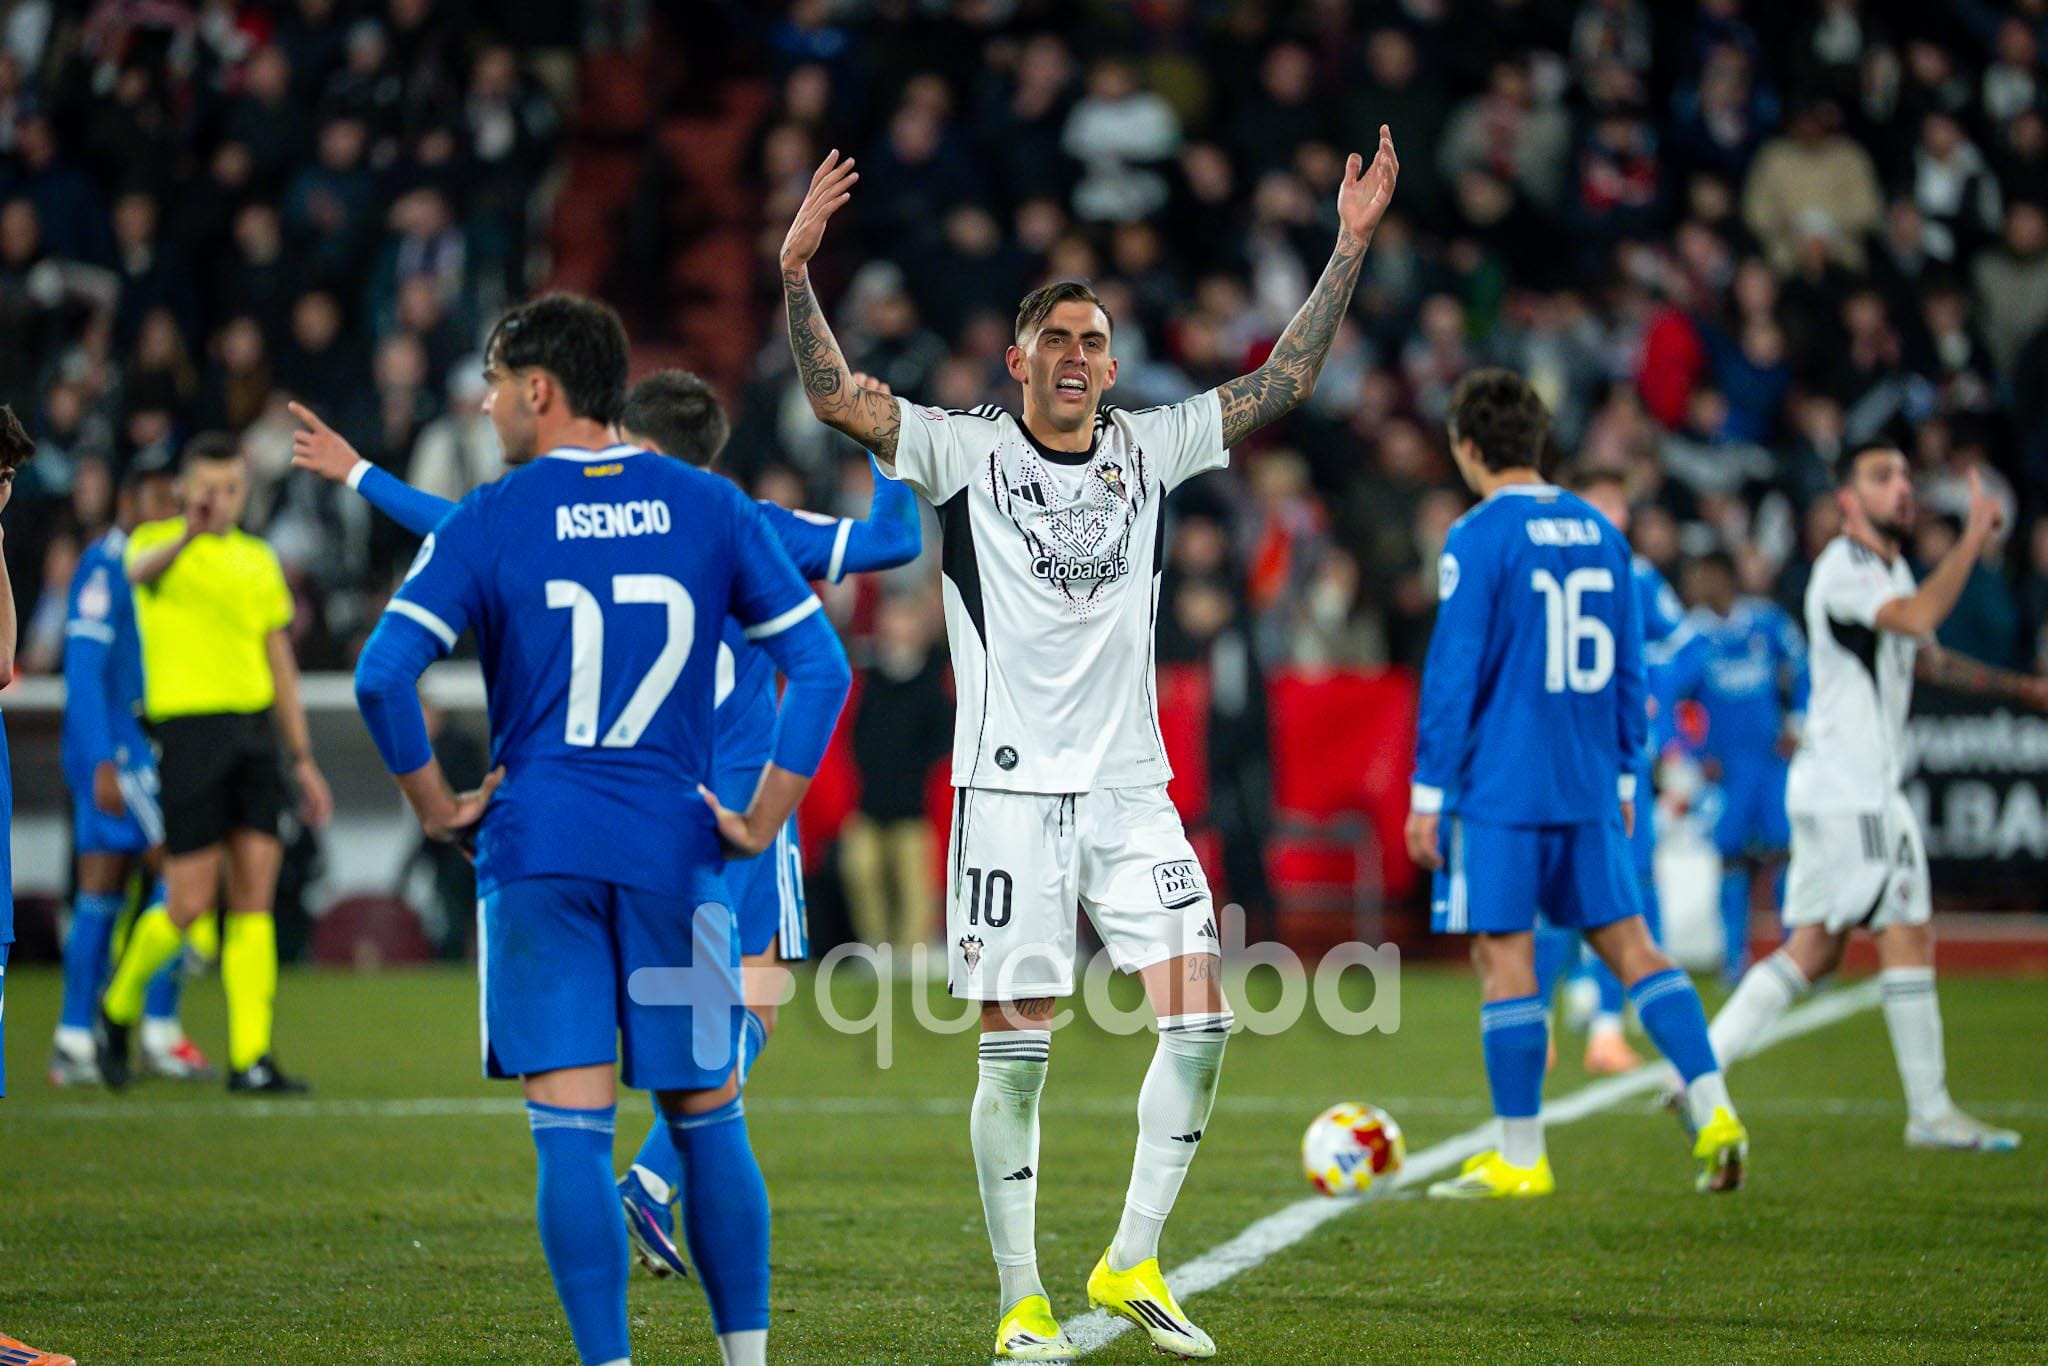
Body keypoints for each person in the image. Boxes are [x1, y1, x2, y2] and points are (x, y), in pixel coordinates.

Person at [775, 128, 1400, 1360]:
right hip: (1007, 794)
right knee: (1015, 1060)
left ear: (1112, 366)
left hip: (1128, 791)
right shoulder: (962, 451)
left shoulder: (1147, 448)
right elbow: (837, 398)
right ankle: (1019, 1299)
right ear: (1016, 360)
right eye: (1054, 338)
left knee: (1201, 1022)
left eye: (1092, 340)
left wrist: (1346, 247)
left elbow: (1282, 380)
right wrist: (797, 272)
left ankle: (1129, 1258)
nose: (1074, 355)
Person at [292, 365, 919, 1282]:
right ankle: (659, 1181)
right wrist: (885, 440)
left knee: (660, 1013)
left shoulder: (569, 523)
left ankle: (632, 1182)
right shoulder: (746, 525)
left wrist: (359, 474)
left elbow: (456, 525)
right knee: (755, 996)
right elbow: (895, 541)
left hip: (637, 801)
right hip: (742, 802)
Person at [1405, 369, 1747, 1199]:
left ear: (1468, 448)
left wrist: (1427, 794)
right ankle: (1715, 1109)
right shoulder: (1602, 531)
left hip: (1502, 785)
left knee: (1504, 953)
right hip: (1591, 779)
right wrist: (1627, 769)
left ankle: (1521, 1156)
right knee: (1630, 945)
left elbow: (1453, 673)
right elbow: (1633, 671)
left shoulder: (1477, 535)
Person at [1703, 445, 2043, 1151]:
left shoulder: (1887, 570)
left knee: (1816, 950)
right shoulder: (1845, 567)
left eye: (1906, 476)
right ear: (1848, 500)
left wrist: (2022, 690)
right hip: (1851, 790)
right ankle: (1930, 1111)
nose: (1902, 488)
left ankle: (1696, 1076)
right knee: (1903, 929)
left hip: (1853, 786)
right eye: (1882, 478)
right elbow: (1916, 618)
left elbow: (1927, 657)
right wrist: (1972, 541)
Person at [96, 434, 333, 1093]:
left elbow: (279, 661)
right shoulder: (156, 545)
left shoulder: (258, 560)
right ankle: (117, 1005)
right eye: (208, 488)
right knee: (189, 900)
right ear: (185, 490)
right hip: (189, 737)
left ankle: (251, 1058)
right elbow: (138, 576)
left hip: (254, 735)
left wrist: (302, 757)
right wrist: (189, 533)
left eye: (231, 488)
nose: (220, 500)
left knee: (255, 897)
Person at [50, 450, 217, 1087]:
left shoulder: (156, 564)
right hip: (121, 752)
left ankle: (75, 1038)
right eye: (158, 501)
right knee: (182, 875)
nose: (169, 512)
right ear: (128, 504)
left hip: (132, 747)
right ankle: (156, 1029)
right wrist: (101, 759)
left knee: (102, 893)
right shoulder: (106, 565)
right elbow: (83, 670)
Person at [1532, 468, 1690, 1074]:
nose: (1612, 516)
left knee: (1620, 891)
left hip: (1616, 760)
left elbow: (1684, 646)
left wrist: (1647, 690)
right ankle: (1539, 1023)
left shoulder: (1635, 575)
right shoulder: (1549, 572)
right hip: (1559, 757)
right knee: (1555, 895)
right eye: (1599, 503)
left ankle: (1605, 1029)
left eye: (1619, 505)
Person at [1661, 550, 1807, 987]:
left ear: (1723, 578)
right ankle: (1733, 960)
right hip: (1727, 770)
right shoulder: (1694, 637)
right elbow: (1665, 700)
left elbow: (1804, 669)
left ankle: (1796, 954)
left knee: (1783, 852)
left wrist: (1797, 723)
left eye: (1702, 577)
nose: (1694, 587)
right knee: (1731, 860)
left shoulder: (1766, 623)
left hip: (1770, 760)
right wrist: (1692, 753)